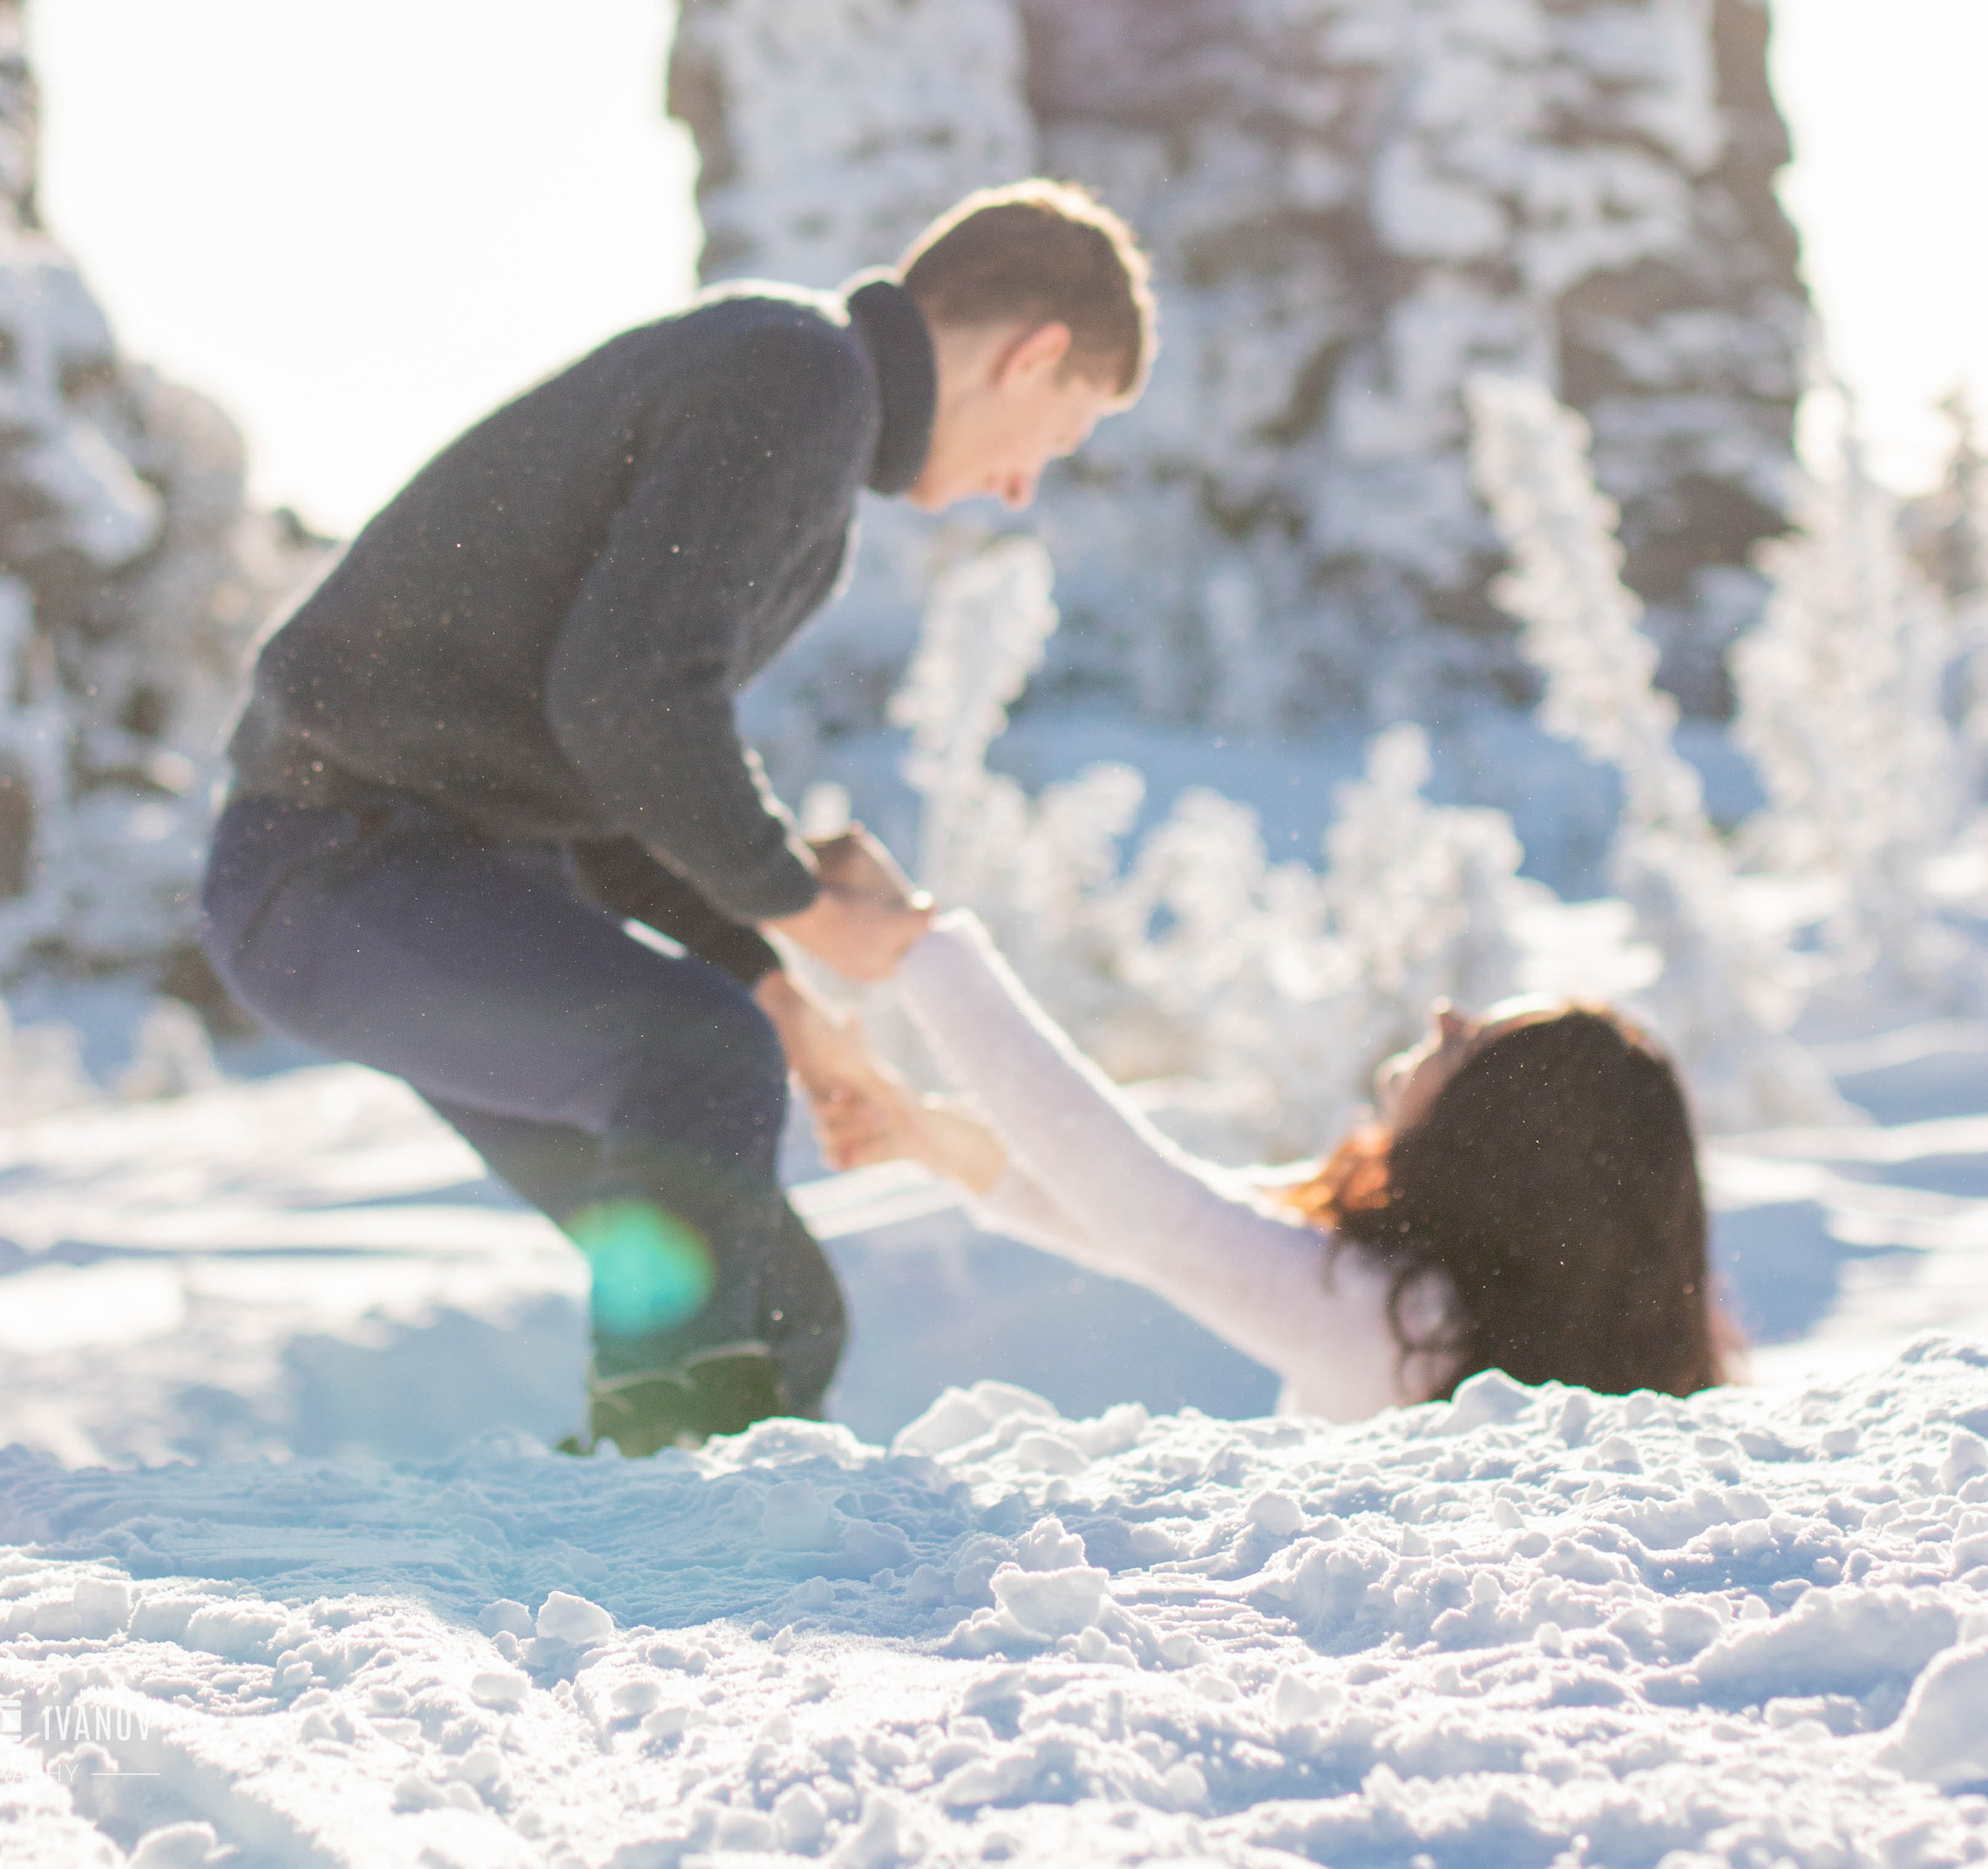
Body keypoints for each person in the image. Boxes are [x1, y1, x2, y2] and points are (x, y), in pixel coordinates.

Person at [200, 181, 1155, 1455]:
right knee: (694, 1062)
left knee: (782, 1311)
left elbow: (610, 778)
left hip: (441, 882)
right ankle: (655, 1481)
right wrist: (804, 909)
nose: (1023, 487)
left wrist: (778, 988)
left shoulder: (799, 398)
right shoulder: (797, 376)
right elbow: (630, 702)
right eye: (1061, 433)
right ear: (1032, 355)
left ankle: (664, 1528)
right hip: (338, 863)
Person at [806, 890, 1723, 1413]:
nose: (1448, 1015)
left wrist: (922, 952)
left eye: (1476, 1045)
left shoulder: (1403, 1325)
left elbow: (1154, 1213)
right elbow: (1137, 1225)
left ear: (1506, 1140)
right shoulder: (1434, 1310)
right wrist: (923, 1133)